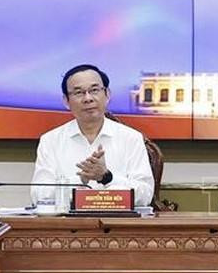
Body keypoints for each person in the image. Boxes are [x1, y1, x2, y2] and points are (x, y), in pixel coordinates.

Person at [31, 64, 154, 207]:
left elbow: (145, 195)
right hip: (68, 226)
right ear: (66, 101)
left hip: (117, 225)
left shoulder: (131, 138)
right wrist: (79, 180)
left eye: (94, 90)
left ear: (107, 94)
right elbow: (39, 195)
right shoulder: (50, 141)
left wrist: (107, 178)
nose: (88, 98)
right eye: (79, 93)